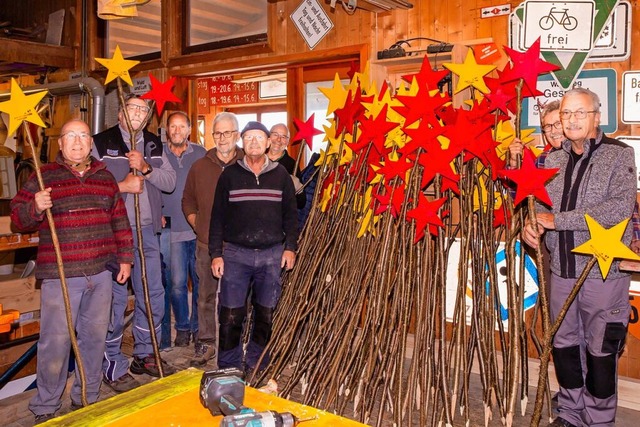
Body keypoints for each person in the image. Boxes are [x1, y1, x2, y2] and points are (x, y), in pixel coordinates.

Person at [522, 88, 637, 427]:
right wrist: (534, 227)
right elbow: (543, 207)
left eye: (579, 113)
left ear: (596, 118)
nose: (571, 120)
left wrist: (555, 221)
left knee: (601, 351)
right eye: (566, 114)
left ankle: (599, 420)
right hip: (562, 270)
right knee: (565, 346)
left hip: (603, 272)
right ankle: (570, 414)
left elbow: (617, 208)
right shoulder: (554, 160)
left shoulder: (619, 155)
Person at [10, 119, 134, 423]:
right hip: (60, 276)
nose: (77, 142)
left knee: (94, 340)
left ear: (90, 144)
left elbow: (119, 220)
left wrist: (126, 259)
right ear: (61, 144)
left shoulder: (104, 177)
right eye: (70, 136)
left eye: (83, 136)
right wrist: (36, 206)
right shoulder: (44, 176)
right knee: (55, 341)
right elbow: (18, 218)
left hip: (101, 274)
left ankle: (86, 398)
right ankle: (46, 407)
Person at [92, 94, 176, 392]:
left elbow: (170, 182)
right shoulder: (101, 143)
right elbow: (88, 188)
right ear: (121, 113)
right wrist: (124, 186)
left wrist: (146, 168)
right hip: (113, 235)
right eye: (132, 108)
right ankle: (112, 362)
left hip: (147, 233)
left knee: (153, 293)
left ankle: (144, 353)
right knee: (114, 300)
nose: (138, 113)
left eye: (143, 109)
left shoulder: (153, 143)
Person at [210, 121, 299, 375]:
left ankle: (257, 361)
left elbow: (291, 216)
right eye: (248, 138)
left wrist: (290, 248)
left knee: (266, 312)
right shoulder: (229, 176)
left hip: (272, 254)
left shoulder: (281, 176)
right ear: (242, 141)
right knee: (230, 313)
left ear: (268, 142)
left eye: (259, 138)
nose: (254, 142)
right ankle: (229, 364)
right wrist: (216, 253)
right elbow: (217, 218)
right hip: (236, 254)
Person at [182, 112, 244, 367]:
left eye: (227, 132)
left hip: (240, 247)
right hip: (206, 245)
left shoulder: (248, 165)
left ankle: (236, 344)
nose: (222, 138)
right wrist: (199, 225)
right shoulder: (200, 166)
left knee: (239, 298)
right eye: (217, 133)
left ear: (237, 135)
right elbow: (187, 200)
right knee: (205, 295)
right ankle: (206, 342)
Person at [160, 111, 206, 348]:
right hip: (173, 230)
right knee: (177, 284)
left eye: (182, 127)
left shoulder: (201, 153)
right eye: (173, 127)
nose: (177, 131)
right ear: (167, 130)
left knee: (199, 282)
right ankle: (183, 329)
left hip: (198, 230)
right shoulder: (158, 153)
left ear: (190, 129)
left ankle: (198, 329)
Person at [268, 123, 306, 210]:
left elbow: (301, 203)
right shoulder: (257, 158)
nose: (278, 139)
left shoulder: (292, 165)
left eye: (283, 137)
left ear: (288, 142)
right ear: (268, 137)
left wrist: (299, 188)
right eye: (275, 134)